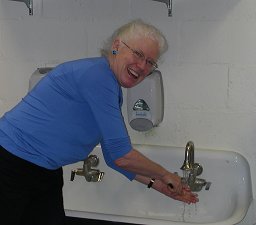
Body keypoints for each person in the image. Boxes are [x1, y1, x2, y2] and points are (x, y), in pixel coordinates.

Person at [0, 19, 198, 225]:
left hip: (43, 170)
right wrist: (165, 175)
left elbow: (114, 157)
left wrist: (157, 184)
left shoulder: (109, 87)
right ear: (116, 46)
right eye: (138, 54)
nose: (142, 66)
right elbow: (123, 156)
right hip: (10, 163)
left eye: (150, 62)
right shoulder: (97, 76)